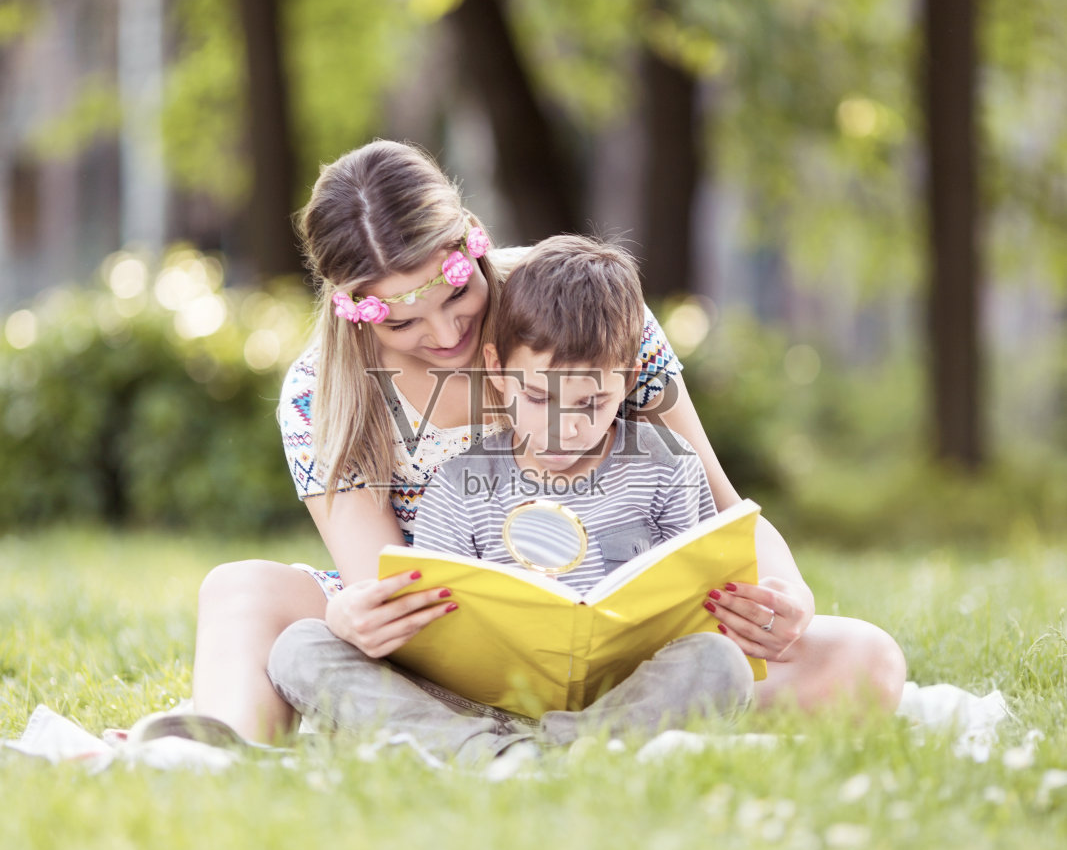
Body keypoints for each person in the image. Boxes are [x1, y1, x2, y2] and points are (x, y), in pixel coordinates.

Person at [189, 139, 905, 743]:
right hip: (441, 661)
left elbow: (723, 509)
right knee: (242, 592)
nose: (442, 336)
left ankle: (491, 743)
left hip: (626, 642)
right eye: (400, 324)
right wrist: (354, 614)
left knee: (864, 660)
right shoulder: (325, 390)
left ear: (470, 241)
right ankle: (211, 750)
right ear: (351, 313)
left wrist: (787, 593)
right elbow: (382, 582)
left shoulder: (583, 310)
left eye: (455, 297)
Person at [266, 236, 757, 759]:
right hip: (473, 698)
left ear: (630, 380)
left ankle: (518, 753)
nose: (560, 427)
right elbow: (429, 625)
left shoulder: (669, 465)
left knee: (719, 661)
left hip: (621, 689)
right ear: (498, 372)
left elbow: (695, 600)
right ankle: (533, 752)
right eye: (538, 396)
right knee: (300, 648)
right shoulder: (458, 482)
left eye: (591, 402)